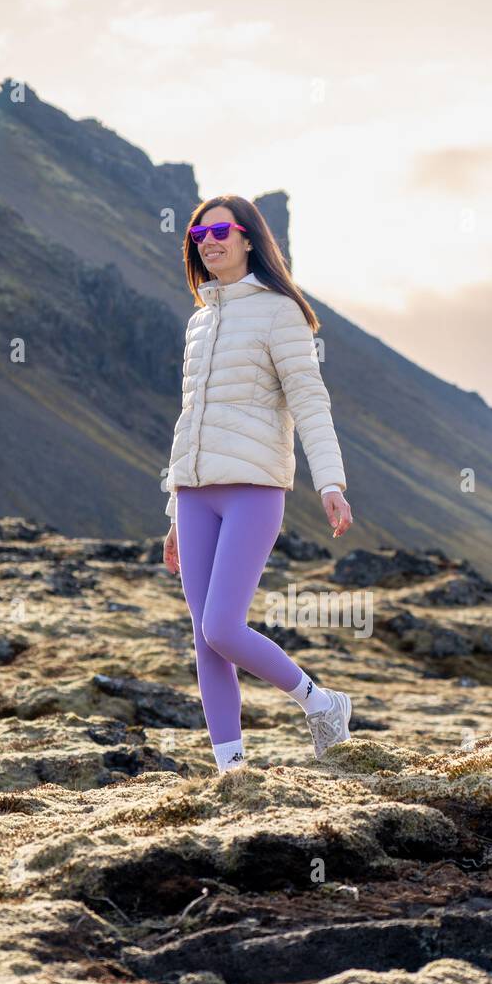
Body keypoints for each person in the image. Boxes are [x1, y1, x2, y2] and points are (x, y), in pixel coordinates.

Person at [162, 194, 354, 774]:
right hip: (193, 493)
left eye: (220, 230)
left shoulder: (279, 311)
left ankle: (320, 704)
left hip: (253, 488)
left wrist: (330, 482)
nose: (209, 240)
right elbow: (190, 417)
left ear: (249, 238)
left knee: (223, 625)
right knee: (204, 638)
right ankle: (232, 771)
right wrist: (173, 515)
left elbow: (309, 400)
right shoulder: (199, 322)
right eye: (199, 234)